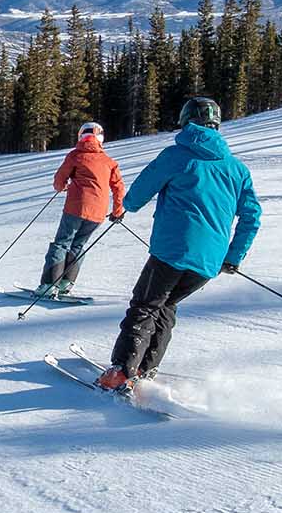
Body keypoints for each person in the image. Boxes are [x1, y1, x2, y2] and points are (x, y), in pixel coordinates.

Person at [97, 97, 260, 392]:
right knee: (167, 305)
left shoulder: (177, 156)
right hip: (208, 262)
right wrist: (233, 256)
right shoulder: (237, 170)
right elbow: (252, 217)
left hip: (172, 250)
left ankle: (121, 371)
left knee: (145, 305)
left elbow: (139, 193)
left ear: (186, 122)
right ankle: (145, 369)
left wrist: (127, 206)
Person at [35, 122, 125, 299]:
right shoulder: (109, 162)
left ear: (80, 136)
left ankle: (48, 285)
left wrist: (62, 186)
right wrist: (117, 211)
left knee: (62, 243)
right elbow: (118, 188)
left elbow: (59, 180)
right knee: (78, 245)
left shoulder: (75, 156)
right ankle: (66, 283)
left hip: (76, 207)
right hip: (98, 213)